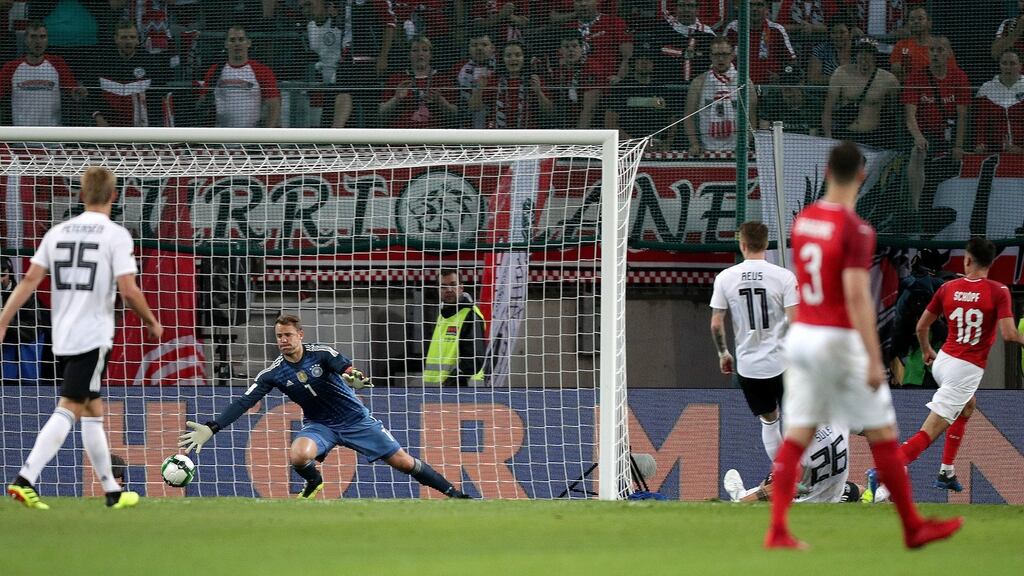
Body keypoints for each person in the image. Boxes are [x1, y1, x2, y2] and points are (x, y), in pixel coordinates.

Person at [766, 141, 962, 550]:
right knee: (884, 434)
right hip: (837, 339)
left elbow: (804, 282)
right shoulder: (856, 229)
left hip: (803, 337)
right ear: (861, 176)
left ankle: (779, 529)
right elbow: (857, 296)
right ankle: (912, 527)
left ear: (824, 172)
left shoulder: (804, 221)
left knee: (798, 433)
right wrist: (877, 356)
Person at [3, 166, 163, 510]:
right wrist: (151, 320)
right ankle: (25, 479)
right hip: (93, 335)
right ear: (114, 196)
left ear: (80, 194)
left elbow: (29, 281)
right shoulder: (116, 235)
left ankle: (112, 491)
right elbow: (129, 289)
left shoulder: (56, 232)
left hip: (63, 335)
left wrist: (3, 319)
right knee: (71, 407)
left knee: (93, 410)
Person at [178, 314, 472, 499]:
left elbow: (343, 366)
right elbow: (245, 401)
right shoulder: (273, 373)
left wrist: (354, 377)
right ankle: (314, 480)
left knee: (404, 463)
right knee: (298, 455)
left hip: (356, 420)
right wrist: (212, 427)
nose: (283, 340)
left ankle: (453, 493)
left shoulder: (321, 354)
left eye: (288, 335)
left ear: (300, 335)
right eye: (279, 336)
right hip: (321, 426)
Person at [896, 238, 1024, 492]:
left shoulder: (948, 287)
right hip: (965, 369)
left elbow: (922, 326)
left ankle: (946, 472)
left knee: (968, 406)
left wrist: (926, 350)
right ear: (991, 262)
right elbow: (1009, 334)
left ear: (967, 260)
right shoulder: (998, 291)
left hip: (943, 360)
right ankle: (883, 471)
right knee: (930, 431)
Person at [709, 221, 797, 469]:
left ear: (742, 244)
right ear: (766, 244)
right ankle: (808, 477)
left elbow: (716, 324)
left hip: (748, 367)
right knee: (794, 419)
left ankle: (787, 477)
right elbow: (796, 322)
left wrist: (723, 353)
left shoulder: (725, 278)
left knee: (769, 421)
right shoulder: (784, 277)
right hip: (782, 363)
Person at [903, 37, 970, 213]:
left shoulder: (959, 77)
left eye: (940, 50)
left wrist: (959, 145)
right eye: (932, 50)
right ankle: (914, 209)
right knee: (917, 153)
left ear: (948, 53)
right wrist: (918, 137)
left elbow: (963, 116)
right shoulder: (916, 78)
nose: (935, 54)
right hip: (925, 137)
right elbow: (910, 116)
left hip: (950, 136)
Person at [724, 424, 860, 504]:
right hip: (834, 492)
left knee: (775, 479)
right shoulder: (840, 418)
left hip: (804, 503)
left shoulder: (801, 443)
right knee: (857, 490)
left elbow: (779, 489)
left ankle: (740, 495)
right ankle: (878, 494)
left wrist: (741, 503)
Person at [0, 20, 87, 126]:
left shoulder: (58, 63)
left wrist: (78, 93)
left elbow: (73, 91)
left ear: (47, 40)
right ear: (26, 39)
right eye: (33, 36)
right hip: (21, 138)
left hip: (53, 138)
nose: (38, 41)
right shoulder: (11, 67)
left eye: (42, 37)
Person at [89, 20, 173, 127]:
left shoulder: (151, 63)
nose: (128, 41)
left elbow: (157, 97)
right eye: (124, 37)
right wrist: (98, 116)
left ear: (138, 40)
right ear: (116, 39)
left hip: (141, 125)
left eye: (132, 37)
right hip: (107, 124)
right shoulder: (102, 61)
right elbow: (92, 93)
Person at [196, 24, 281, 128]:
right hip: (219, 138)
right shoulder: (214, 71)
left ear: (248, 43)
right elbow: (203, 100)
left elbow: (273, 105)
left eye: (241, 39)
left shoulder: (262, 71)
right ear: (226, 44)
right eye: (232, 40)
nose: (237, 44)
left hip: (250, 139)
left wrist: (267, 135)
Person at [822, 37, 900, 148]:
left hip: (874, 137)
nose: (864, 56)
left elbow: (895, 112)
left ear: (875, 56)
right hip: (846, 134)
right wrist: (829, 140)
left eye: (868, 53)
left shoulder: (889, 80)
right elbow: (827, 110)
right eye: (860, 52)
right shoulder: (841, 73)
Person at [685, 36, 756, 156]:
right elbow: (689, 116)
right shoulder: (699, 82)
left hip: (737, 151)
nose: (721, 58)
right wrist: (694, 144)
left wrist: (745, 144)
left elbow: (752, 117)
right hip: (705, 150)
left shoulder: (745, 82)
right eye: (716, 54)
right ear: (710, 56)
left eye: (725, 54)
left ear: (733, 55)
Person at [423, 269, 487, 387]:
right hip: (437, 389)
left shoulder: (470, 315)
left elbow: (474, 359)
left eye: (453, 285)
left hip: (462, 390)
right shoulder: (443, 316)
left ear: (461, 288)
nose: (449, 290)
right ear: (438, 290)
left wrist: (452, 382)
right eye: (443, 286)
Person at [379, 35, 457, 128]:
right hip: (402, 135)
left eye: (425, 50)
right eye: (415, 50)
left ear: (431, 54)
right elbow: (381, 112)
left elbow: (454, 113)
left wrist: (440, 100)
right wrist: (396, 98)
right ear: (409, 54)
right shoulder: (397, 79)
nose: (420, 54)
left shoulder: (443, 80)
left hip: (435, 135)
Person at [724, 0, 796, 85]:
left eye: (759, 5)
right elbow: (721, 57)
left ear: (767, 9)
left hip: (769, 88)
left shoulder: (777, 30)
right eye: (750, 4)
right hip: (738, 86)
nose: (754, 9)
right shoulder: (732, 29)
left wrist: (781, 76)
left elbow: (791, 63)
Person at [974, 49, 1024, 155]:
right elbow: (981, 122)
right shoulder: (987, 89)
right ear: (999, 65)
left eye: (1012, 63)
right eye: (1004, 63)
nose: (1008, 67)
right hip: (994, 152)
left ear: (1020, 65)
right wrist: (980, 144)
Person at [757, 64, 820, 136]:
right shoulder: (769, 101)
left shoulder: (813, 103)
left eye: (793, 84)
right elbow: (764, 132)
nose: (788, 90)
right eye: (785, 84)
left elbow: (813, 134)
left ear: (801, 84)